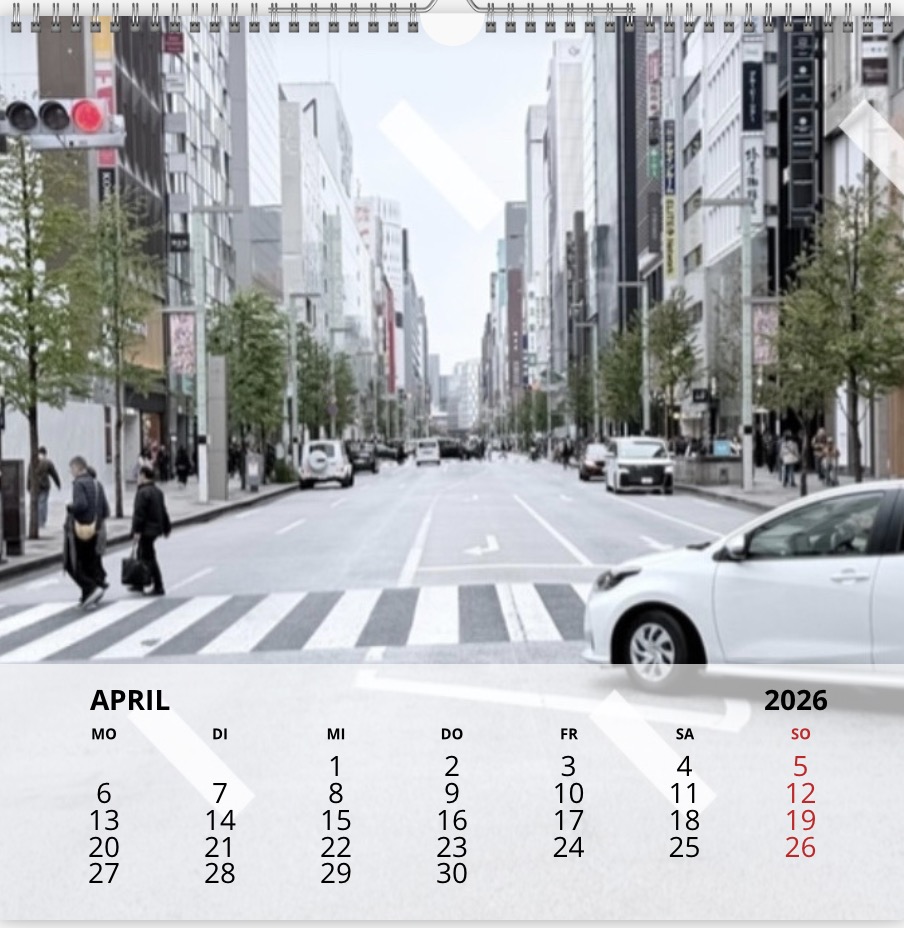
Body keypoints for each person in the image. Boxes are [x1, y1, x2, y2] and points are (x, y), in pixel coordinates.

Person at [67, 456, 107, 608]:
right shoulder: (97, 484)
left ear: (77, 468)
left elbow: (81, 504)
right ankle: (88, 596)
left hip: (81, 529)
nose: (71, 472)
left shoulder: (78, 484)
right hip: (96, 529)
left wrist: (70, 507)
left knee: (76, 564)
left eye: (71, 469)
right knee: (90, 562)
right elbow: (106, 509)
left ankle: (91, 589)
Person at [131, 465, 171, 596]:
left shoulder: (142, 492)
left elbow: (139, 514)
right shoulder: (157, 491)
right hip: (155, 528)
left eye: (138, 475)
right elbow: (163, 511)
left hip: (146, 529)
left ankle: (158, 585)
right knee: (142, 553)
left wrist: (136, 531)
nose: (137, 478)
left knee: (148, 556)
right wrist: (166, 527)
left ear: (143, 476)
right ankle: (139, 582)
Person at [30, 447, 61, 530]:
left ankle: (36, 521)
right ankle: (42, 521)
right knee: (43, 504)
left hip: (35, 486)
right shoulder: (48, 462)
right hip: (44, 486)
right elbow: (54, 474)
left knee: (36, 504)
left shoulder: (33, 462)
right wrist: (58, 484)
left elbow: (29, 475)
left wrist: (28, 486)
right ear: (45, 454)